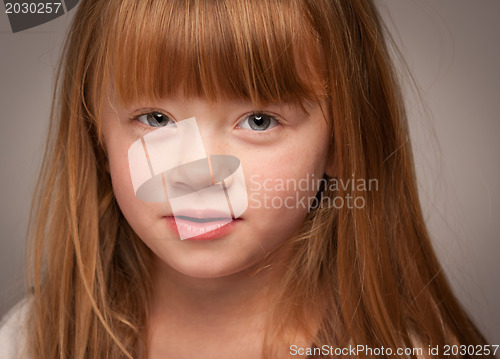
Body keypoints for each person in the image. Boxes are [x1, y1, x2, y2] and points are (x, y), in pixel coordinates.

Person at [0, 0, 495, 358]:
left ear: (343, 142)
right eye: (155, 119)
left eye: (259, 120)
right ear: (95, 135)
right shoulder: (34, 341)